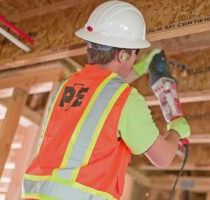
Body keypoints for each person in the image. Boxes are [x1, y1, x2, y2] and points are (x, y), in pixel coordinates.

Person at [22, 1, 190, 200]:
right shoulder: (125, 99)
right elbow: (163, 158)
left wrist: (137, 69)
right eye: (135, 54)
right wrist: (177, 130)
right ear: (123, 54)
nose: (135, 59)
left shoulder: (64, 87)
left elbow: (101, 94)